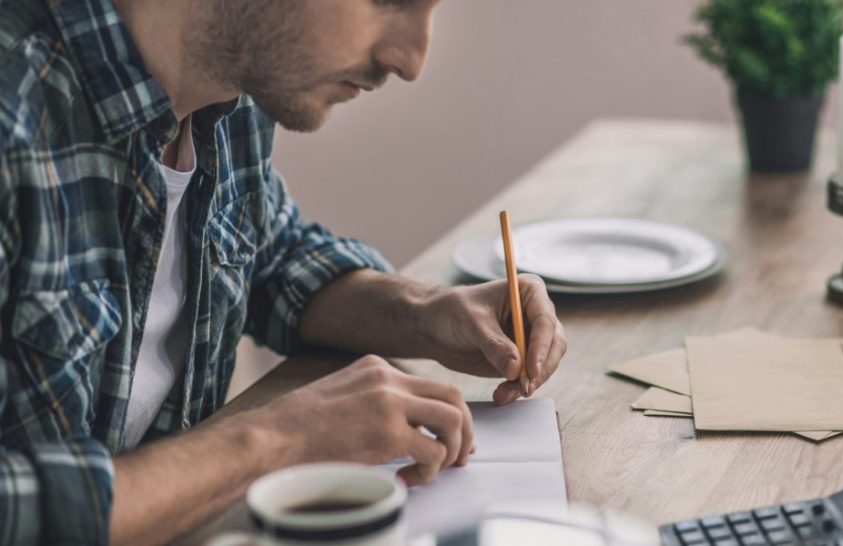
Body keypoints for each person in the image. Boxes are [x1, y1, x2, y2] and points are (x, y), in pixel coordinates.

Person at [0, 0, 568, 543]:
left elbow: (269, 257)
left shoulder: (227, 93)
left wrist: (425, 311)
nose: (411, 60)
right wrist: (273, 441)